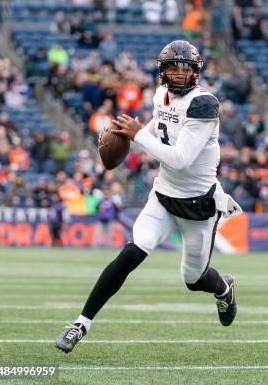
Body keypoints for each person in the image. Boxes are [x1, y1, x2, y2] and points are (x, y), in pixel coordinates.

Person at [56, 40, 242, 353]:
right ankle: (80, 324)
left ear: (195, 72)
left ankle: (224, 289)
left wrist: (138, 134)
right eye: (172, 68)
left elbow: (181, 157)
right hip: (164, 195)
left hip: (199, 205)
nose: (179, 74)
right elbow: (159, 131)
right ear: (162, 72)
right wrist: (133, 135)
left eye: (185, 68)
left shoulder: (204, 104)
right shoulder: (160, 96)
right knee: (131, 253)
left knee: (193, 279)